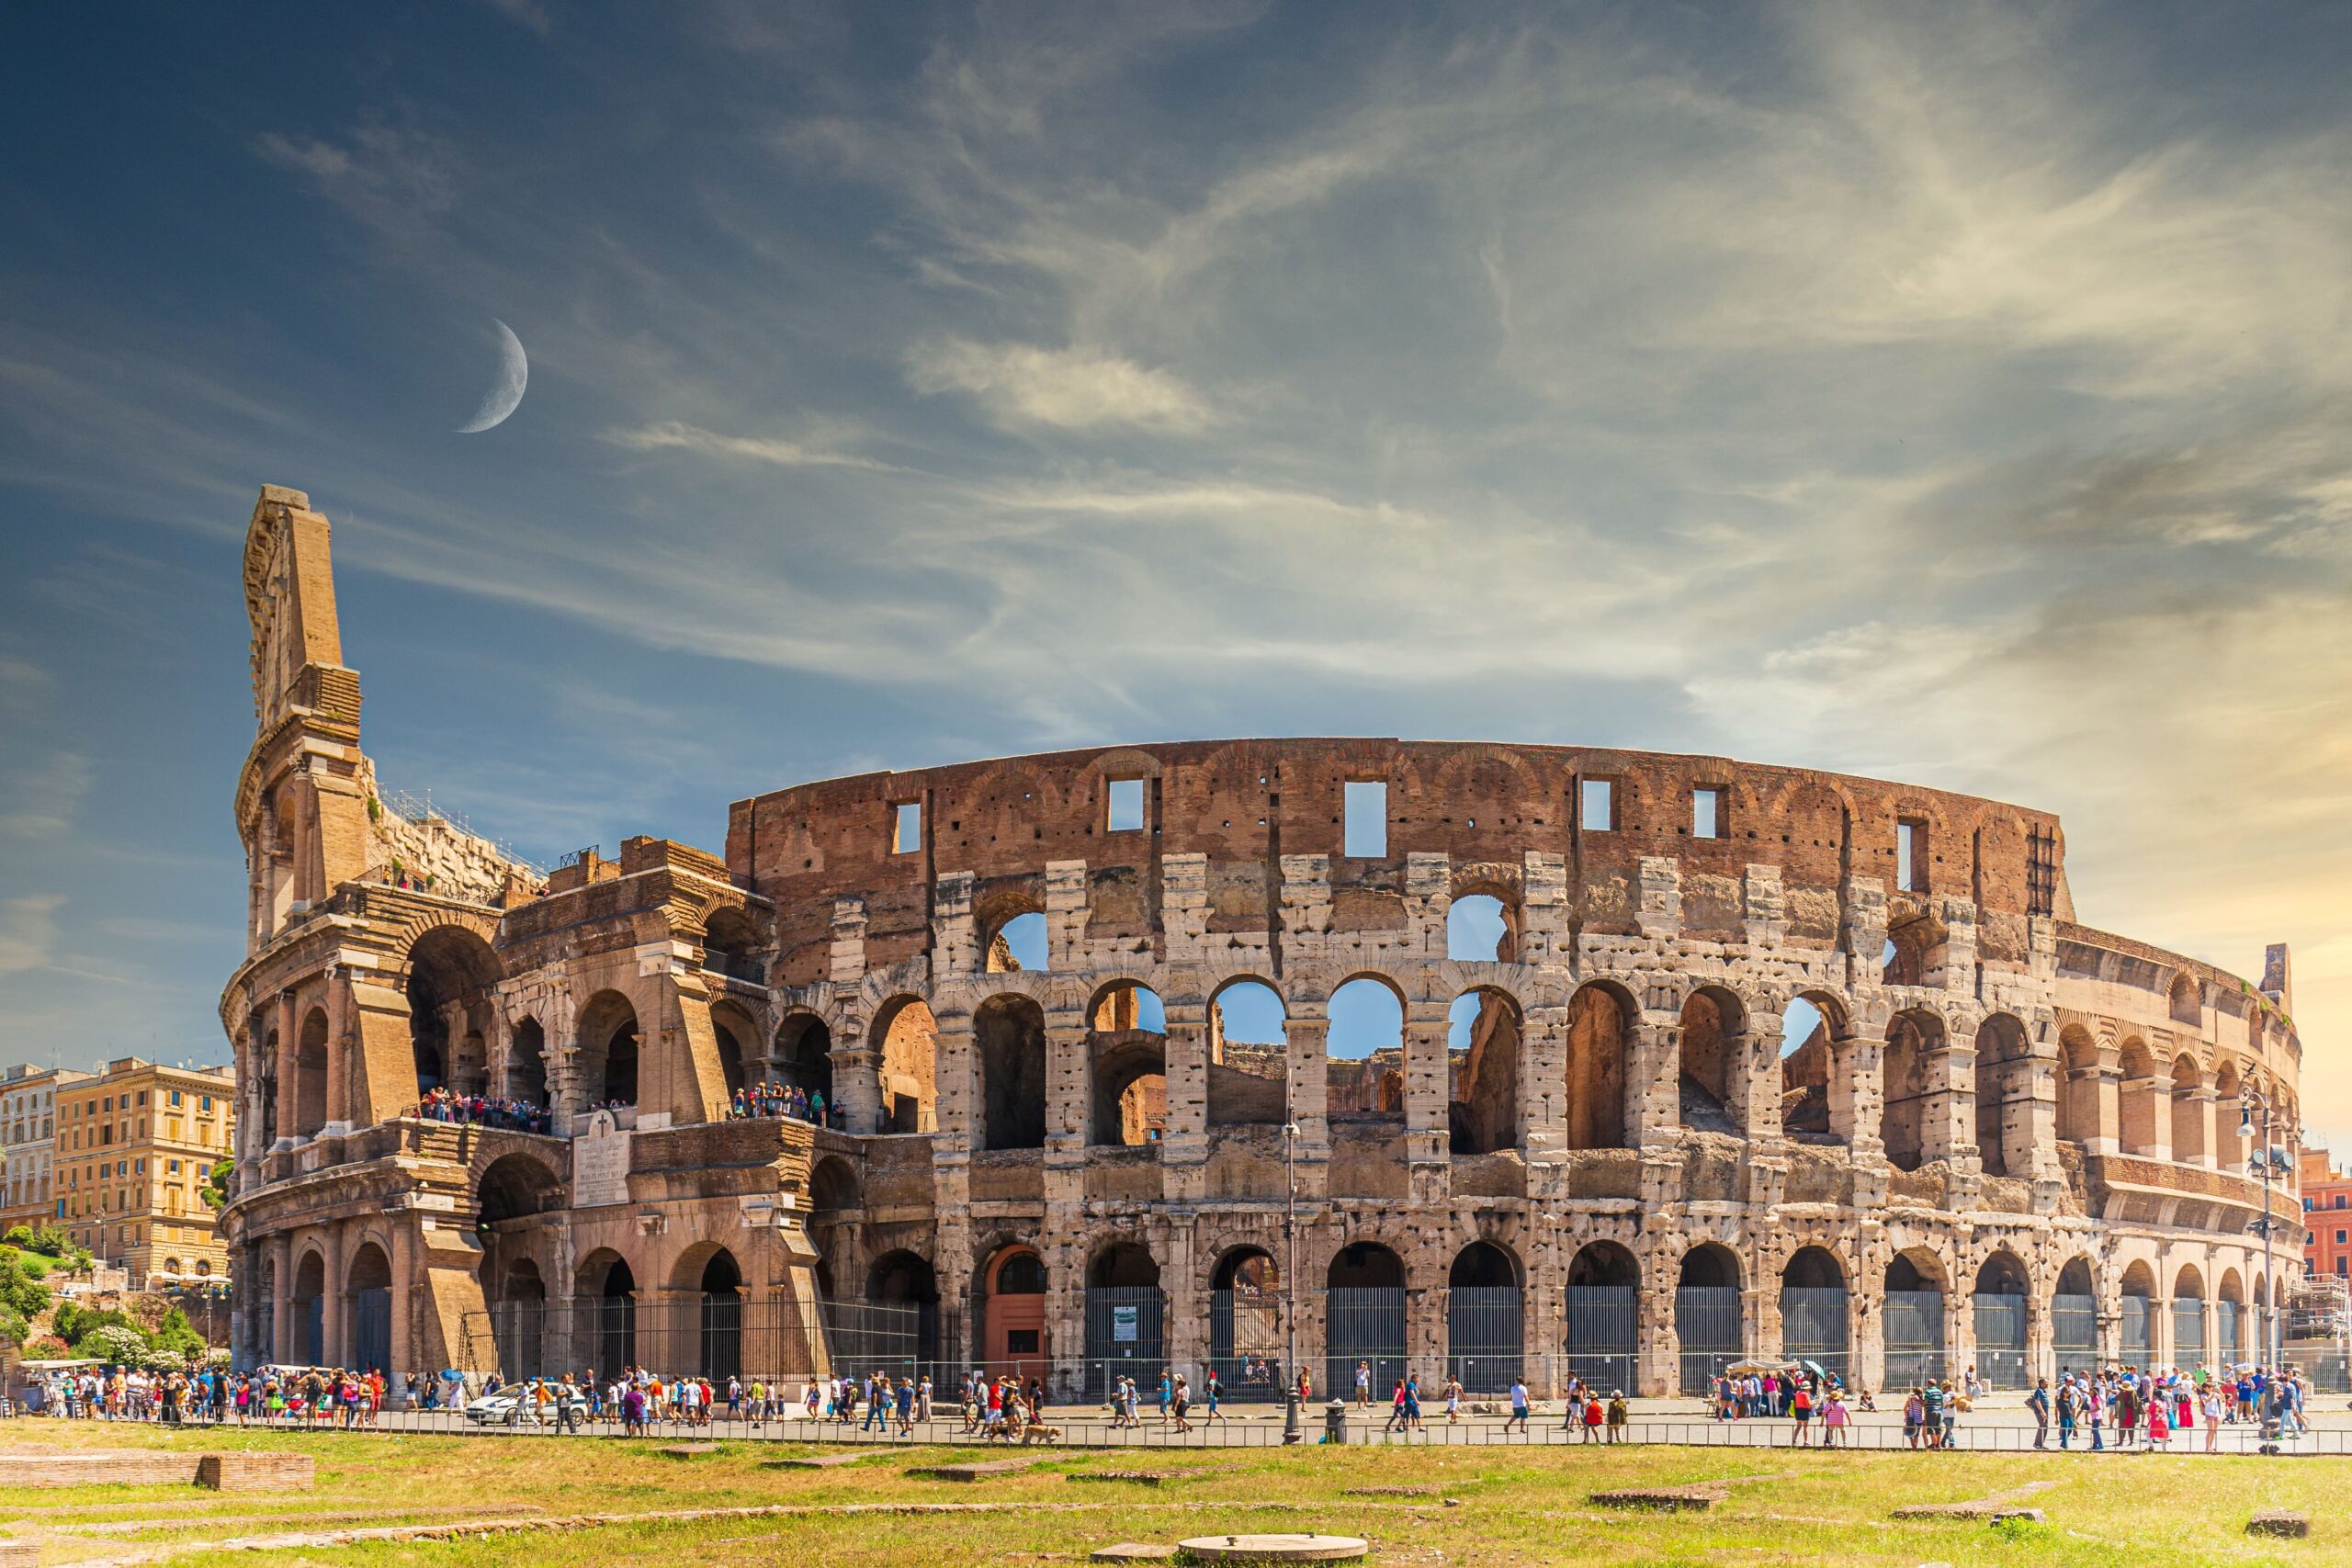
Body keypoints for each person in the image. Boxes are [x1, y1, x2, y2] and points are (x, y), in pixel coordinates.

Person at [2027, 1377, 2050, 1450]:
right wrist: (2042, 1412)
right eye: (2046, 1383)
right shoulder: (2039, 1391)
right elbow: (2037, 1401)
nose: (2047, 1384)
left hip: (2045, 1411)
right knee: (2042, 1426)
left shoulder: (2043, 1391)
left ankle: (2041, 1444)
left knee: (2045, 1427)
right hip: (2040, 1412)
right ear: (2041, 1383)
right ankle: (2036, 1443)